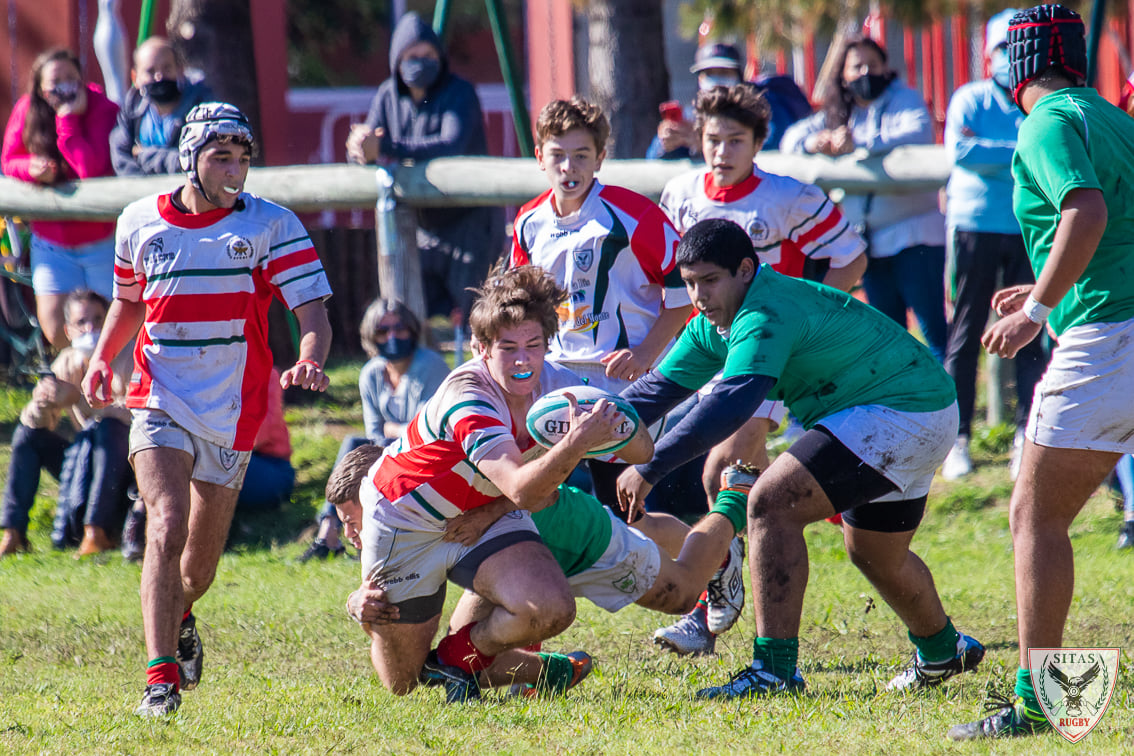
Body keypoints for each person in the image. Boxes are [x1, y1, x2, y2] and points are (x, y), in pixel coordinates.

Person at [615, 218, 984, 699]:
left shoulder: (765, 311)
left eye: (710, 280)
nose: (699, 296)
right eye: (689, 284)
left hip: (900, 409)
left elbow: (732, 402)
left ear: (745, 270)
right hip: (919, 408)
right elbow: (657, 390)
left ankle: (773, 671)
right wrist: (582, 429)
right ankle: (942, 649)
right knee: (874, 551)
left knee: (770, 503)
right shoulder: (715, 321)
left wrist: (649, 465)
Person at [81, 102, 334, 717]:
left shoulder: (272, 224)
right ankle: (159, 679)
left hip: (233, 407)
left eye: (244, 158)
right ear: (189, 159)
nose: (235, 169)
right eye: (222, 156)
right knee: (164, 525)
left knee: (199, 566)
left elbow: (313, 312)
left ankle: (183, 611)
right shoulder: (139, 221)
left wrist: (310, 357)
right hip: (158, 393)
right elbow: (129, 302)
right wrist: (99, 358)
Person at [325, 265, 659, 704]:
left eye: (534, 346)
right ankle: (541, 671)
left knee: (550, 609)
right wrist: (579, 440)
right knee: (402, 681)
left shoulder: (559, 387)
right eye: (508, 348)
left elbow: (642, 452)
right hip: (404, 519)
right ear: (481, 348)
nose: (523, 361)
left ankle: (454, 661)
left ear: (547, 345)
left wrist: (616, 420)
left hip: (485, 512)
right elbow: (524, 488)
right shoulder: (468, 396)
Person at [948, 5, 1134, 740]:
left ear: (1018, 63)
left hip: (1107, 341)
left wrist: (1040, 310)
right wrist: (1051, 290)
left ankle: (1038, 702)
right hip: (1118, 318)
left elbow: (1084, 212)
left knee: (1036, 515)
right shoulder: (1112, 116)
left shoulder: (1044, 119)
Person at [651, 83, 867, 655]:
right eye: (712, 139)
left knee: (727, 460)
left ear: (758, 143)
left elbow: (851, 256)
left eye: (736, 140)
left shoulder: (788, 197)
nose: (722, 151)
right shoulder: (677, 193)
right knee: (724, 480)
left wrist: (805, 322)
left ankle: (706, 610)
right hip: (716, 350)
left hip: (770, 354)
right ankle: (846, 514)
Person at [333, 446, 760, 697]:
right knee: (465, 656)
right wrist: (358, 602)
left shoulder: (425, 481)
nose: (352, 535)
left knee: (682, 590)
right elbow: (392, 602)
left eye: (354, 521)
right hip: (506, 563)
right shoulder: (394, 524)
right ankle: (558, 672)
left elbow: (520, 470)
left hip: (566, 531)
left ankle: (733, 504)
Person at [510, 96, 692, 509]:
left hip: (625, 377)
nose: (568, 167)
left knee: (624, 504)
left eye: (581, 156)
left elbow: (685, 296)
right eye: (557, 155)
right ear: (539, 156)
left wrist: (645, 352)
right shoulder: (528, 222)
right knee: (537, 494)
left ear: (600, 158)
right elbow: (519, 302)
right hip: (555, 376)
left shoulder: (634, 215)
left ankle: (703, 561)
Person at [345, 11, 504, 362]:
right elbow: (369, 144)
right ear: (396, 61)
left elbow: (450, 143)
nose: (420, 63)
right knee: (409, 315)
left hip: (470, 224)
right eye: (411, 56)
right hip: (420, 227)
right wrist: (360, 146)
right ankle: (421, 389)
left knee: (479, 319)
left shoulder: (460, 92)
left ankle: (481, 393)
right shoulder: (388, 95)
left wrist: (385, 147)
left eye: (429, 56)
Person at [782, 37, 948, 362]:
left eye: (873, 63)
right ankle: (902, 408)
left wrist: (860, 143)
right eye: (856, 66)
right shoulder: (839, 111)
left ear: (886, 66)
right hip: (867, 243)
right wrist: (819, 141)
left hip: (914, 236)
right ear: (843, 75)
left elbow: (919, 132)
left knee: (934, 334)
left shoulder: (904, 98)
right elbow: (791, 139)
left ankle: (954, 409)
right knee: (888, 336)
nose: (866, 71)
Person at [940, 10, 1045, 482]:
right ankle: (956, 437)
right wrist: (1021, 149)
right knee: (965, 333)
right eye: (1003, 48)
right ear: (989, 54)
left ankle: (1028, 432)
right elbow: (961, 150)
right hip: (974, 227)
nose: (1009, 58)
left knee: (1031, 328)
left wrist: (997, 149)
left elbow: (985, 151)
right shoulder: (969, 97)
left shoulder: (1037, 104)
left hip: (1026, 229)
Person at [300, 299, 449, 562]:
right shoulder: (370, 373)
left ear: (412, 330)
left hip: (430, 455)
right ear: (371, 336)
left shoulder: (432, 366)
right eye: (383, 331)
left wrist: (391, 428)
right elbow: (374, 433)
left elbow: (429, 431)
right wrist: (394, 430)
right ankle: (332, 529)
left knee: (356, 445)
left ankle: (338, 533)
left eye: (399, 328)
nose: (392, 336)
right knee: (354, 445)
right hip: (389, 450)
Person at [1, 47, 119, 348]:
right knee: (56, 328)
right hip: (52, 242)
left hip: (101, 240)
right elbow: (9, 161)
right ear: (40, 87)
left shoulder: (102, 108)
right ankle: (75, 387)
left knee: (111, 326)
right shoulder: (28, 109)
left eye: (71, 77)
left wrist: (67, 120)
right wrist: (32, 168)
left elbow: (89, 169)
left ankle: (110, 387)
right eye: (56, 80)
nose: (64, 85)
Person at [0, 290, 132, 558]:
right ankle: (13, 533)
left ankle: (97, 532)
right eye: (82, 322)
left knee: (106, 429)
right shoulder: (66, 361)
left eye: (98, 319)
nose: (91, 328)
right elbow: (35, 423)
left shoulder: (128, 355)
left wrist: (80, 398)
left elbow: (137, 417)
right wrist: (43, 404)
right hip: (85, 463)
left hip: (126, 466)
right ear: (69, 331)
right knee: (27, 435)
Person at [646, 42, 811, 159]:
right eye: (709, 73)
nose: (716, 80)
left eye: (724, 72)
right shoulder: (692, 115)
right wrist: (665, 145)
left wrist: (705, 143)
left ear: (739, 76)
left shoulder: (765, 107)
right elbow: (653, 159)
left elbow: (773, 146)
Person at [110, 36, 213, 176]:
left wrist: (144, 155)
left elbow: (198, 161)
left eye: (167, 68)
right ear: (135, 77)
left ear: (181, 70)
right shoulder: (132, 108)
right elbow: (121, 158)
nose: (159, 77)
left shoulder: (203, 109)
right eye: (150, 71)